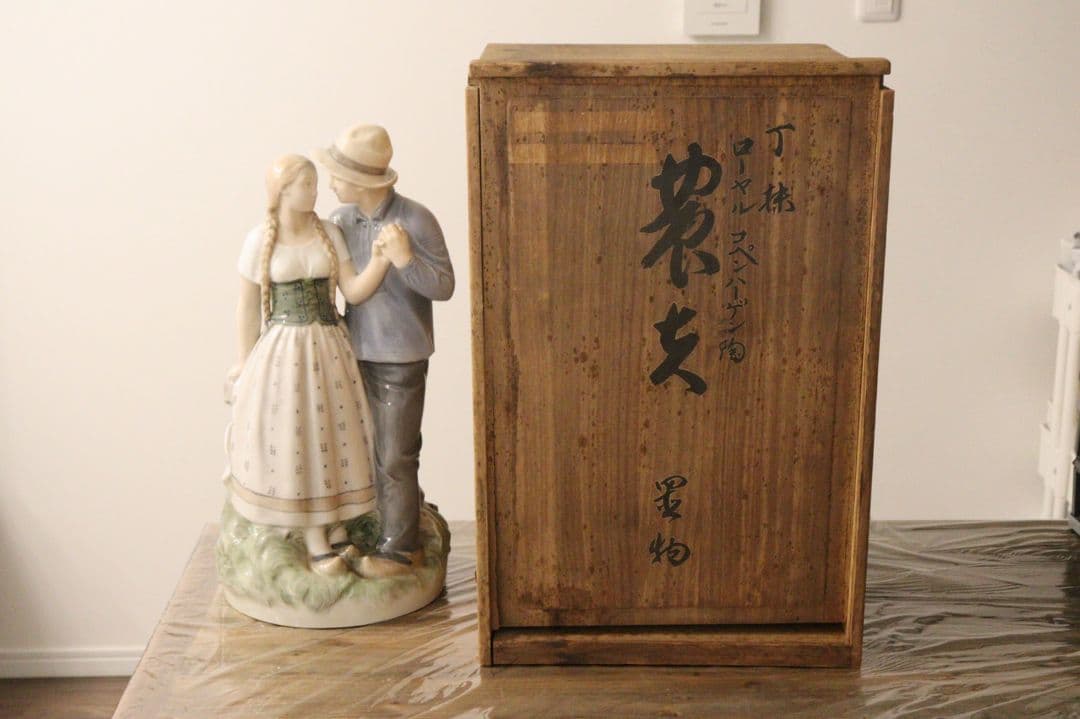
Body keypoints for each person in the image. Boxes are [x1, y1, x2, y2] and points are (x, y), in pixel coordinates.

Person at [224, 154, 393, 577]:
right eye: (306, 185)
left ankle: (335, 523)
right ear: (282, 190)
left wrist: (381, 259)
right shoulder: (259, 241)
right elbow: (247, 308)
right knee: (298, 437)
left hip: (330, 347)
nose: (315, 192)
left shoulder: (329, 233)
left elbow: (353, 290)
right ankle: (314, 535)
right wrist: (243, 363)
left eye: (316, 184)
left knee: (335, 434)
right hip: (285, 353)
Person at [316, 124, 455, 578]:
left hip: (401, 358)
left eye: (337, 175)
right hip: (352, 353)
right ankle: (389, 521)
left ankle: (400, 550)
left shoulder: (416, 219)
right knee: (363, 448)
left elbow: (444, 286)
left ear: (362, 181)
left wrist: (405, 259)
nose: (331, 183)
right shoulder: (340, 221)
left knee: (395, 454)